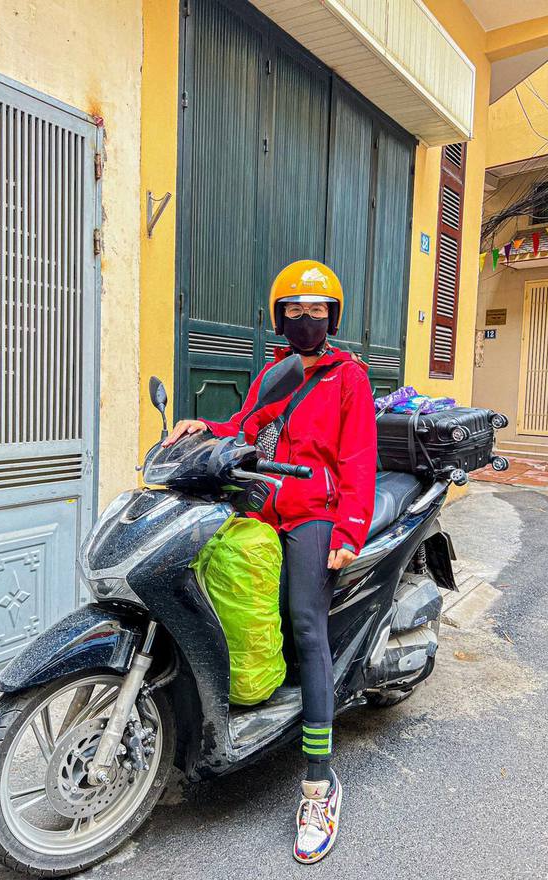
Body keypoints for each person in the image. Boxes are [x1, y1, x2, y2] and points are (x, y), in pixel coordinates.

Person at [163, 260, 377, 863]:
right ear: (279, 316)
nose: (304, 320)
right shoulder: (272, 374)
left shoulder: (348, 379)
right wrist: (201, 428)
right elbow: (244, 426)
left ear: (330, 318)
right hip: (262, 506)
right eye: (294, 311)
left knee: (307, 626)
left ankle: (318, 781)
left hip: (314, 511)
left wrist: (349, 531)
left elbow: (359, 460)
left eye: (316, 312)